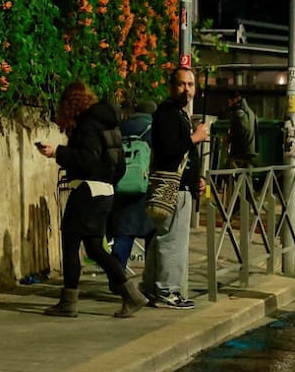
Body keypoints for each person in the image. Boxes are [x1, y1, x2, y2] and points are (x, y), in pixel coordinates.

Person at [35, 82, 148, 318]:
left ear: (70, 103)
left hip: (86, 191)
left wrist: (57, 151)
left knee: (71, 243)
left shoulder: (87, 125)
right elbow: (119, 165)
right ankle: (131, 294)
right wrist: (108, 183)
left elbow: (86, 159)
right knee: (95, 248)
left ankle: (69, 301)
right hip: (104, 191)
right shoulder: (108, 124)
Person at [142, 67, 209, 309]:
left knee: (162, 238)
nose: (187, 90)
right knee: (173, 241)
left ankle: (150, 288)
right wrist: (196, 137)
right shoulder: (167, 114)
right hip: (173, 188)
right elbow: (171, 149)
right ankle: (168, 292)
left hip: (180, 185)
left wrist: (195, 180)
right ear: (171, 86)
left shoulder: (177, 113)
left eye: (190, 85)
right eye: (182, 84)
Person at [109, 100, 157, 273]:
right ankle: (151, 277)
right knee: (153, 234)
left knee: (123, 232)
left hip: (121, 186)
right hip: (146, 188)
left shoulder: (122, 127)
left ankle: (117, 276)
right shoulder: (153, 128)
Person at [224, 90, 258, 168]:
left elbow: (242, 129)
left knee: (231, 170)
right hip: (249, 150)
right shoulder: (250, 112)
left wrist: (229, 138)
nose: (228, 104)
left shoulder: (239, 112)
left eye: (229, 101)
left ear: (235, 99)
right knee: (245, 176)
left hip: (241, 152)